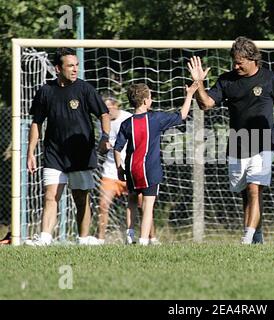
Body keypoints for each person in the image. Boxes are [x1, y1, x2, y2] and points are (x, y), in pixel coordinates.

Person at [188, 36, 274, 244]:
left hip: (263, 142)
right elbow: (206, 104)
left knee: (255, 188)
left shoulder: (271, 79)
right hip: (237, 143)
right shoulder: (227, 80)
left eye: (239, 62)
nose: (236, 66)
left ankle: (246, 238)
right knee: (246, 194)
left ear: (253, 59)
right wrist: (199, 84)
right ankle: (256, 238)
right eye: (234, 62)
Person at [25, 47, 111, 246]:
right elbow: (36, 123)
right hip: (54, 153)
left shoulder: (85, 89)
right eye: (70, 66)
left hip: (80, 154)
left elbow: (104, 114)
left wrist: (105, 136)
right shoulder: (46, 91)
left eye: (77, 65)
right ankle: (45, 238)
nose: (75, 69)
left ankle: (83, 239)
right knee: (50, 195)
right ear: (58, 68)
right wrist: (30, 151)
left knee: (80, 198)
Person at [114, 82, 198, 245]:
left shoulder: (126, 123)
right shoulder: (155, 119)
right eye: (150, 97)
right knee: (148, 205)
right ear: (146, 101)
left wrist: (119, 168)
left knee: (131, 200)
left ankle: (130, 236)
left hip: (131, 169)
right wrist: (189, 94)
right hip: (149, 169)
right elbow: (182, 115)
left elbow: (117, 148)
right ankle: (144, 241)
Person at [97, 95, 160, 245]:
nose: (106, 112)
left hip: (133, 168)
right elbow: (102, 149)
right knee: (103, 205)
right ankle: (100, 239)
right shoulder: (102, 123)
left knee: (143, 205)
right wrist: (104, 147)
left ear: (116, 106)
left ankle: (152, 238)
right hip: (111, 171)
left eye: (108, 109)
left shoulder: (129, 119)